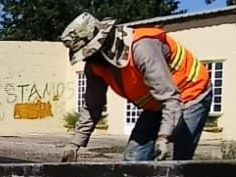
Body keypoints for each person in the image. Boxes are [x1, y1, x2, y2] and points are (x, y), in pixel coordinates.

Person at [60, 12, 211, 163]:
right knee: (133, 160)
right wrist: (74, 144)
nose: (88, 59)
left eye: (90, 53)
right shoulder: (95, 66)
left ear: (104, 43)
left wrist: (164, 137)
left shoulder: (142, 48)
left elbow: (170, 97)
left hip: (191, 92)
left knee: (177, 161)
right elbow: (93, 106)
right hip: (156, 104)